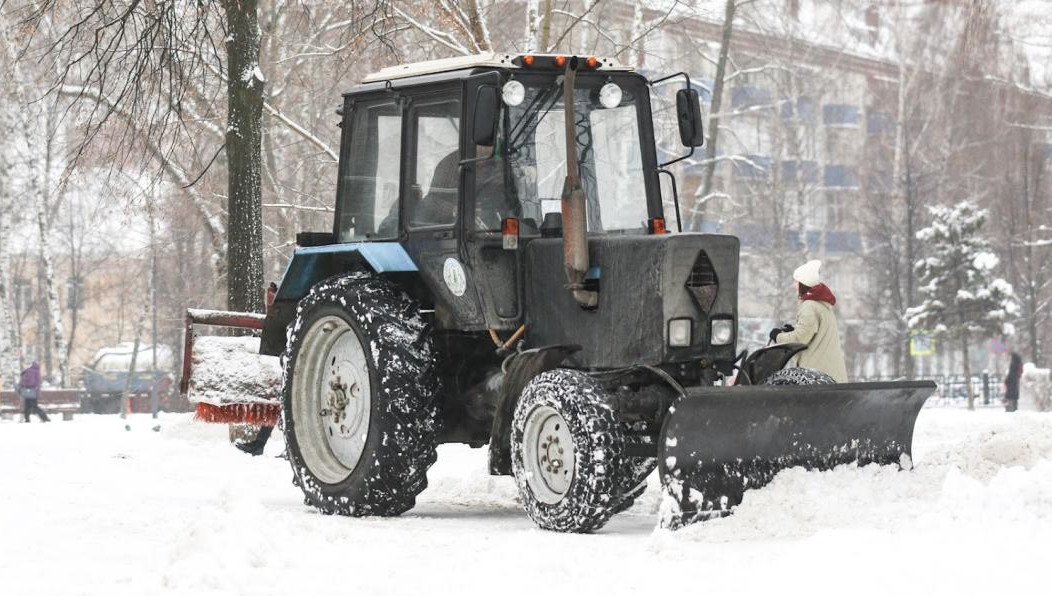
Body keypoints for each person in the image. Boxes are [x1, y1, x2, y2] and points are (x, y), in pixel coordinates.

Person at [769, 260, 849, 383]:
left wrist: (778, 336)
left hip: (817, 377)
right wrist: (793, 331)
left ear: (803, 284)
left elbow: (801, 338)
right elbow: (811, 334)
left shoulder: (810, 306)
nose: (794, 285)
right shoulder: (823, 305)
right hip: (829, 373)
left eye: (796, 281)